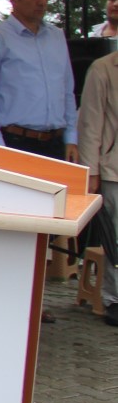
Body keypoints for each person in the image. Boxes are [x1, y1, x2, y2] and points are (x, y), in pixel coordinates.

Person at [0, 0, 78, 161]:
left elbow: (67, 91)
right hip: (15, 141)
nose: (42, 2)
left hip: (55, 142)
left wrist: (71, 137)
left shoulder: (56, 36)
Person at [77, 46, 118, 326]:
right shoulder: (103, 69)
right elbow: (90, 123)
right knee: (115, 238)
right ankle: (114, 298)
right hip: (113, 168)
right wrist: (91, 171)